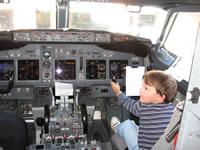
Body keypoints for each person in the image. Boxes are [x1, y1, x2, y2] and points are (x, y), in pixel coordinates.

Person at [110, 70, 177, 150]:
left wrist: (118, 92)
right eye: (142, 86)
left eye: (146, 88)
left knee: (127, 124)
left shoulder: (144, 107)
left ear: (161, 97)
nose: (140, 90)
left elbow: (128, 103)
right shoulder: (172, 110)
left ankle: (118, 128)